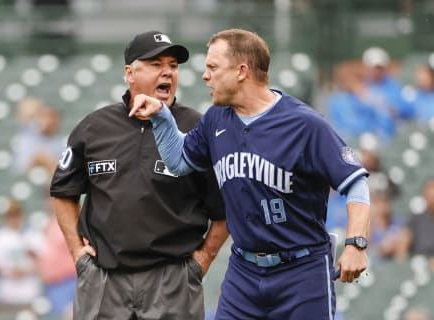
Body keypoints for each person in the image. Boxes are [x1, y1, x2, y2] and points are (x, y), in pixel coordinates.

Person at [130, 28, 371, 319]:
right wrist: (161, 117)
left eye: (213, 67)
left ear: (241, 71)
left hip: (302, 272)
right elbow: (179, 161)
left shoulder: (304, 124)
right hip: (244, 272)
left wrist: (356, 242)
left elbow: (355, 182)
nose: (205, 76)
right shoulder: (216, 119)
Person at [49, 30, 228, 320]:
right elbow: (63, 192)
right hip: (105, 280)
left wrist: (203, 260)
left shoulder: (197, 129)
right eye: (156, 64)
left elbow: (226, 207)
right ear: (130, 73)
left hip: (171, 279)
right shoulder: (95, 127)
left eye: (173, 65)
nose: (167, 73)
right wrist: (77, 255)